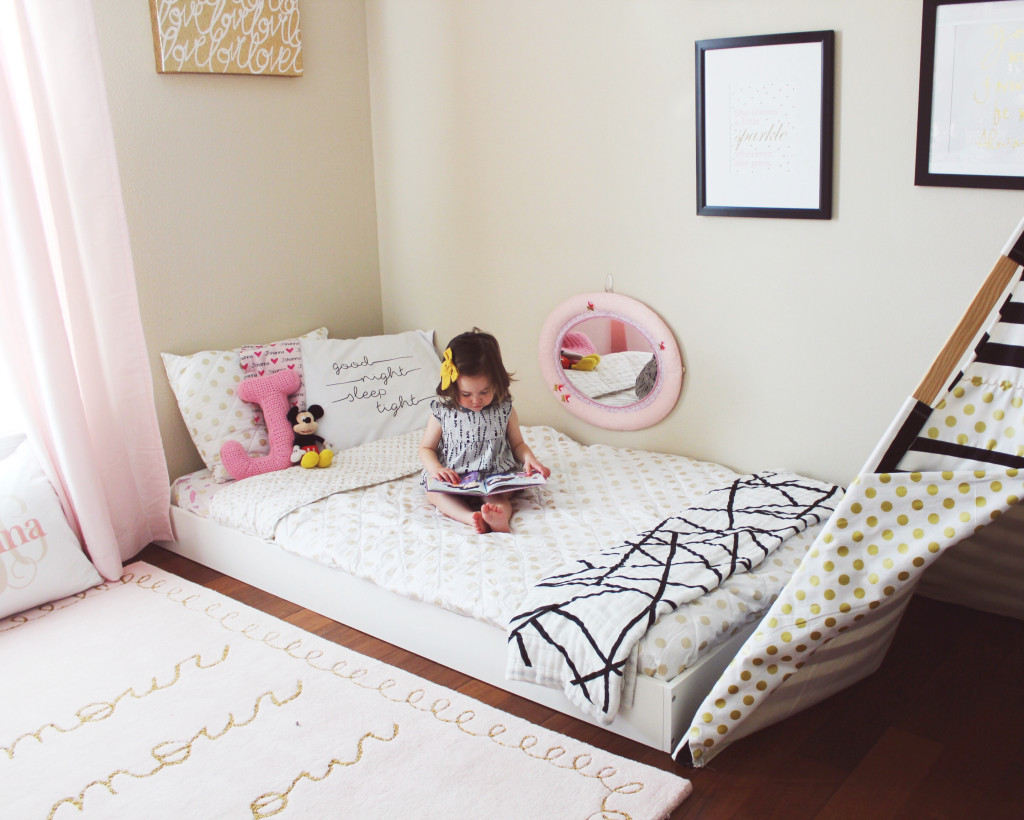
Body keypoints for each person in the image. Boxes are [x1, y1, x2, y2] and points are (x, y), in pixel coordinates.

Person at [419, 329, 550, 533]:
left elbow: (517, 444)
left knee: (498, 499)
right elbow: (426, 448)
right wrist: (436, 469)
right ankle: (470, 517)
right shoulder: (443, 412)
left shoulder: (504, 409)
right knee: (433, 494)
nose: (476, 400)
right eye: (466, 393)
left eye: (484, 391)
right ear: (452, 386)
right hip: (454, 478)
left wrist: (529, 459)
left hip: (493, 476)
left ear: (497, 383)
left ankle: (498, 519)